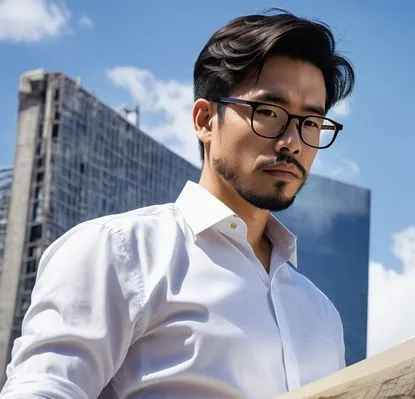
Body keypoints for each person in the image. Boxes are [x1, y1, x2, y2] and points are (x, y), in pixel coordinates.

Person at [0, 10, 355, 399]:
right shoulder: (118, 251)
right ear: (205, 120)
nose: (293, 142)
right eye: (268, 113)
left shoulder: (322, 313)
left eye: (311, 123)